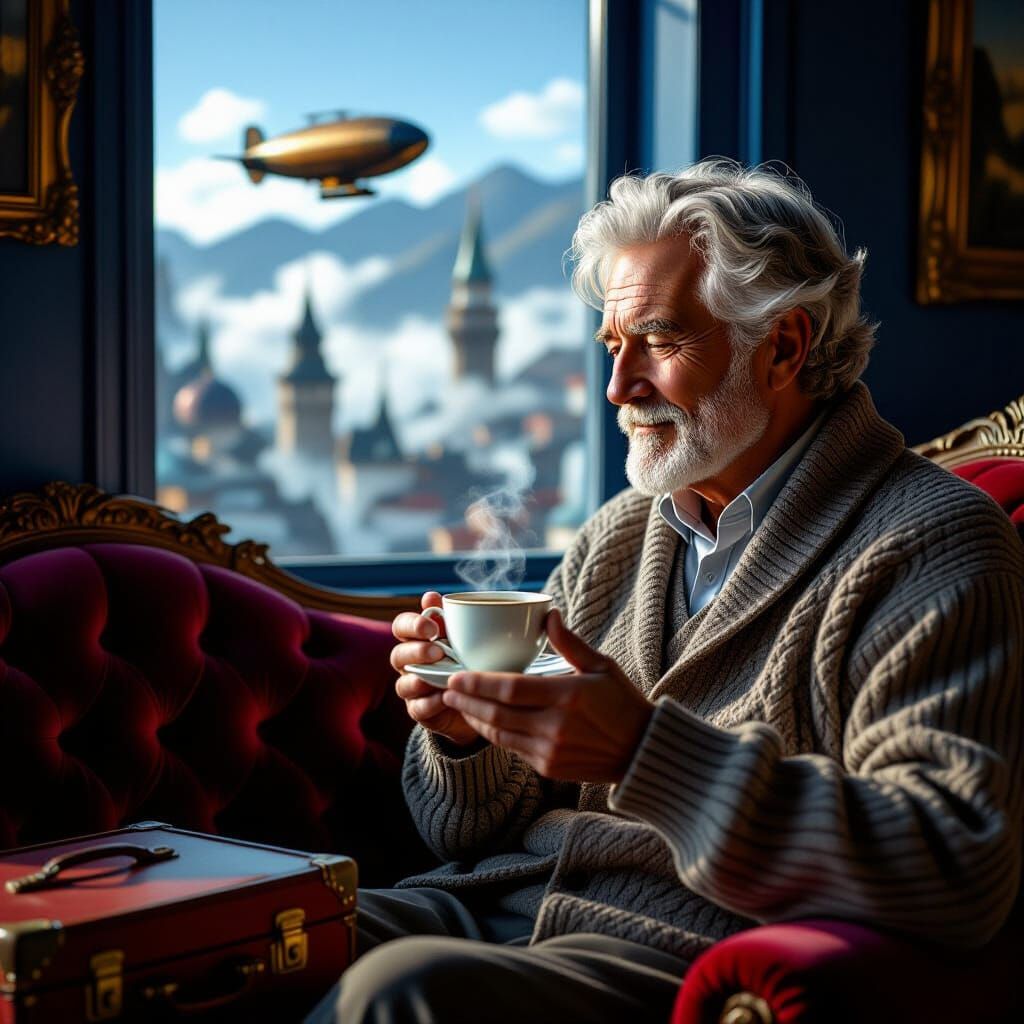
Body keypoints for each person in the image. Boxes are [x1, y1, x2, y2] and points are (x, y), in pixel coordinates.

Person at [306, 159, 1024, 1023]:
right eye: (614, 346)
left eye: (660, 340)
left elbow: (953, 870)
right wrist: (469, 737)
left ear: (786, 346)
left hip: (683, 952)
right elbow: (463, 838)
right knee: (240, 940)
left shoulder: (930, 543)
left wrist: (641, 753)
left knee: (400, 991)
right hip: (483, 908)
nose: (619, 388)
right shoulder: (621, 532)